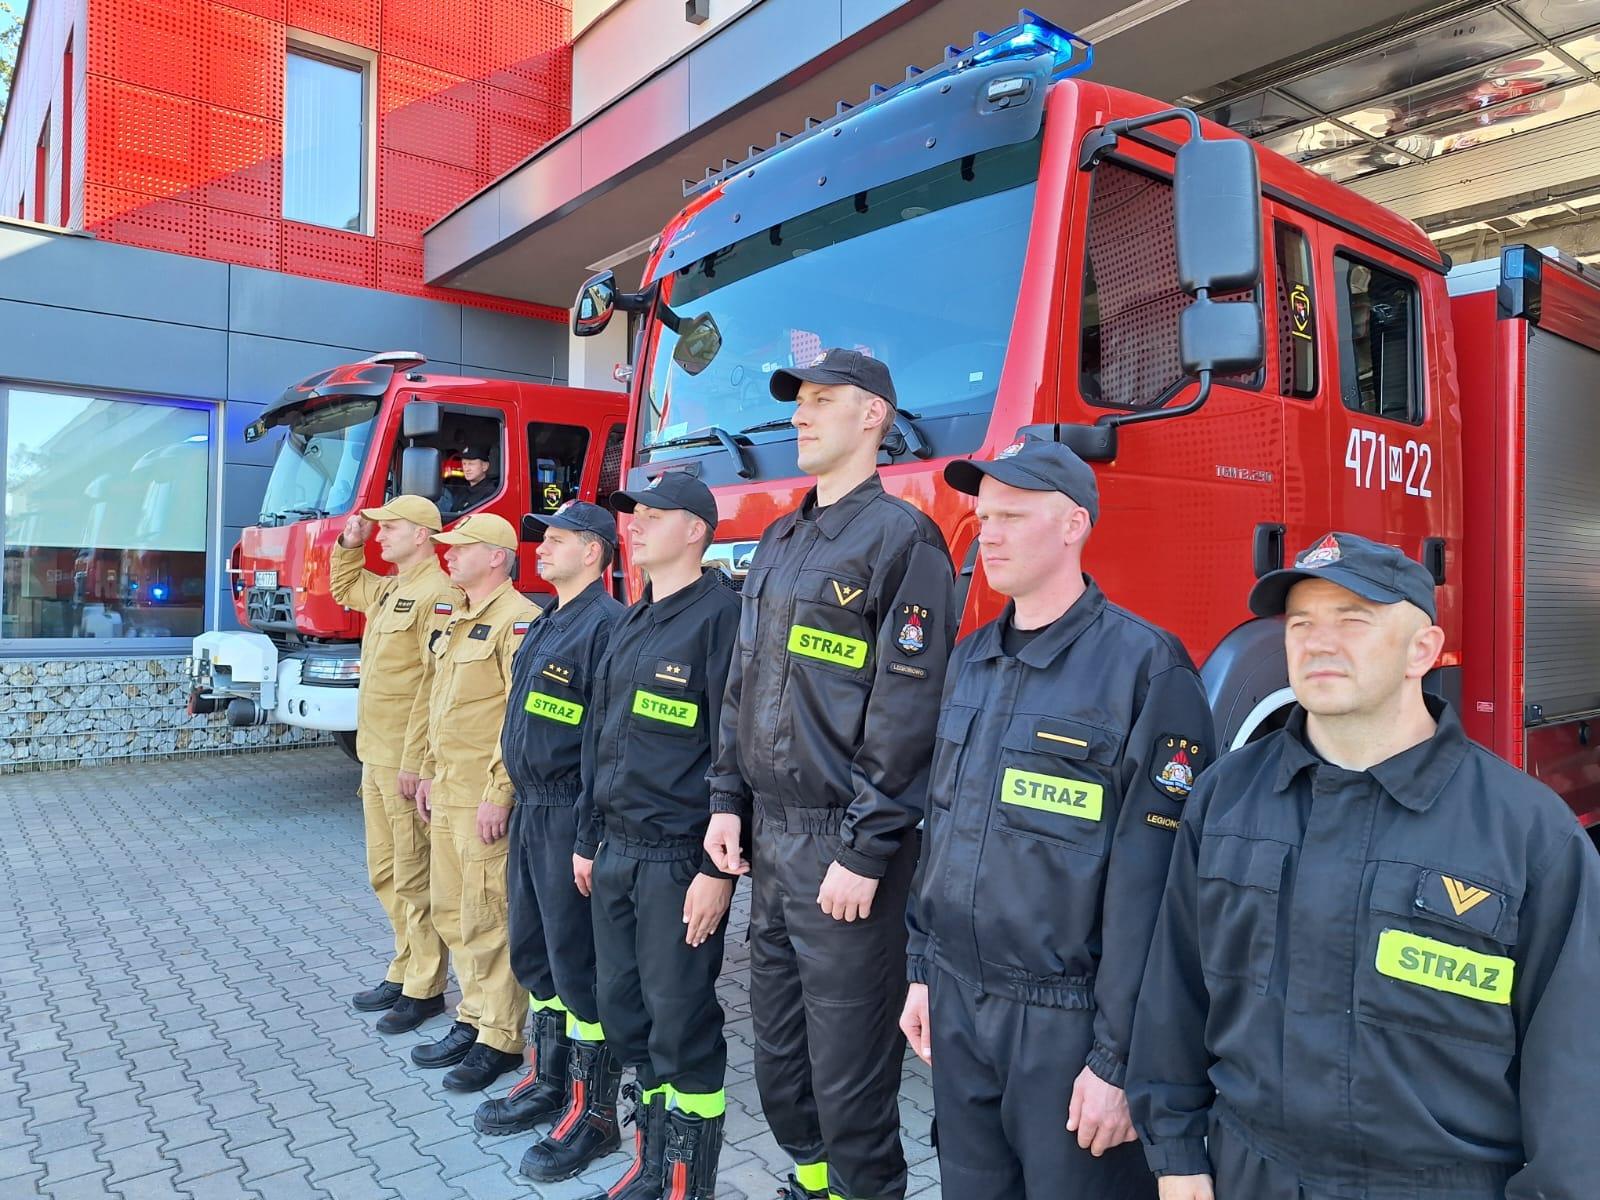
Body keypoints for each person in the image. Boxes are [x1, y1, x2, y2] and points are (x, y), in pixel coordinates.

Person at [1127, 532, 1600, 1200]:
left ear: (1422, 650)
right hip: (1251, 1173)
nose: (1318, 643)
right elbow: (1175, 989)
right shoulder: (1225, 797)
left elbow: (1576, 1063)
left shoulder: (1525, 831)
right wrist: (1176, 1154)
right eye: (1300, 624)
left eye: (1353, 620)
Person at [899, 437, 1213, 1199]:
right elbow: (941, 828)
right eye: (983, 516)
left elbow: (1158, 888)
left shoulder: (1146, 669)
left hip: (1068, 1029)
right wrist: (922, 969)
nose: (989, 533)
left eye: (1012, 515)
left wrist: (1120, 1059)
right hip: (959, 1005)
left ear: (1074, 525)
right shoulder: (971, 660)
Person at [703, 348, 956, 1200]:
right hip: (771, 841)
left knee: (851, 1081)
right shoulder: (781, 538)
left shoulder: (903, 540)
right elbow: (742, 680)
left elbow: (908, 711)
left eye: (820, 400)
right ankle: (814, 1186)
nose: (799, 416)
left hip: (843, 849)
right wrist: (727, 799)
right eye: (798, 402)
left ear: (872, 416)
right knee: (782, 1066)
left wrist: (867, 847)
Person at [571, 472, 741, 1200]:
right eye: (632, 514)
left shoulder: (723, 619)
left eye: (652, 514)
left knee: (681, 1025)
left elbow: (735, 751)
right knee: (625, 1011)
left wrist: (717, 870)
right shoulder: (633, 619)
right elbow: (599, 739)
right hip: (616, 852)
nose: (634, 525)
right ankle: (651, 1158)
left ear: (695, 530)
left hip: (679, 860)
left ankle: (685, 1182)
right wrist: (588, 839)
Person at [470, 502, 624, 1173]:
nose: (542, 548)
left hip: (568, 812)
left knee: (576, 961)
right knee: (536, 953)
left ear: (593, 552)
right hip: (533, 809)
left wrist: (589, 830)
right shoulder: (546, 620)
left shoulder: (606, 626)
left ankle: (594, 1111)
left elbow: (604, 743)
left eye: (557, 539)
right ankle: (550, 1078)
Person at [411, 513, 537, 1092]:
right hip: (448, 789)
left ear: (495, 557)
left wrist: (499, 793)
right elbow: (438, 703)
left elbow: (518, 720)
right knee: (452, 913)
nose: (449, 555)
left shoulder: (518, 622)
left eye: (461, 548)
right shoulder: (458, 617)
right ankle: (473, 1016)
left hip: (482, 797)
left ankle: (501, 1038)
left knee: (488, 919)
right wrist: (428, 772)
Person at [330, 495, 459, 1034]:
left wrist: (418, 762)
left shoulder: (439, 595)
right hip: (375, 754)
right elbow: (343, 587)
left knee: (413, 874)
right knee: (385, 872)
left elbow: (434, 687)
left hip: (403, 758)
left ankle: (425, 986)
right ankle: (405, 966)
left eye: (390, 529)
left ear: (422, 535)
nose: (379, 536)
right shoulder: (391, 588)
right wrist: (349, 543)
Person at [442, 445, 499, 515]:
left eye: (471, 464)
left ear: (485, 466)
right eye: (464, 464)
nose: (466, 469)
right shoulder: (462, 488)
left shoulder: (492, 494)